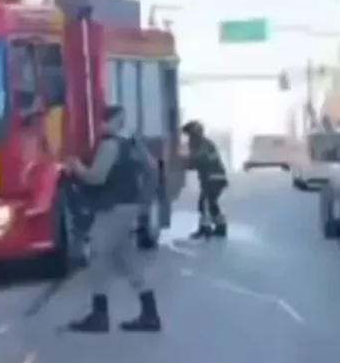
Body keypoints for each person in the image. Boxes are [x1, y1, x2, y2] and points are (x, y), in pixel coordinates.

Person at [64, 104, 161, 333]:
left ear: (104, 122)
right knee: (128, 260)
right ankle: (150, 314)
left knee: (97, 257)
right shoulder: (131, 144)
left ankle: (99, 317)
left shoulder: (109, 145)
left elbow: (96, 177)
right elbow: (153, 167)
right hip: (129, 207)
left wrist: (76, 167)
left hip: (113, 209)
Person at [182, 120, 228, 238]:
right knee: (210, 203)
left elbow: (196, 161)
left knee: (205, 203)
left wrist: (181, 163)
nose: (188, 139)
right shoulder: (203, 144)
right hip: (213, 178)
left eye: (190, 135)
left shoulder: (203, 145)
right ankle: (220, 226)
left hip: (213, 178)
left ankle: (206, 228)